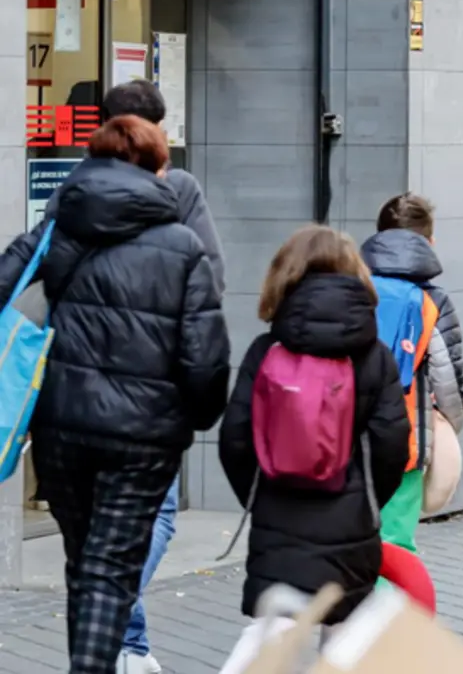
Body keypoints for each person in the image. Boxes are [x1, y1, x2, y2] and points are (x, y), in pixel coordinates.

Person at [0, 115, 230, 674]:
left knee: (85, 562)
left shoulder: (59, 227)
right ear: (158, 168)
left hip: (62, 427)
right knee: (108, 566)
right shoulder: (183, 247)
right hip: (143, 438)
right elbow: (205, 358)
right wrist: (196, 417)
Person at [217, 225, 410, 664]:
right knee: (343, 636)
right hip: (350, 521)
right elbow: (392, 441)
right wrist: (368, 496)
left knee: (275, 626)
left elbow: (234, 438)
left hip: (278, 516)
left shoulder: (266, 350)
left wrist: (262, 489)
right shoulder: (374, 356)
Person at [100, 79, 227, 674]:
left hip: (81, 386)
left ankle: (128, 646)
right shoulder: (176, 191)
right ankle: (119, 628)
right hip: (151, 388)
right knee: (157, 514)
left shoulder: (73, 194)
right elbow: (210, 285)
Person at [360, 193, 463, 557]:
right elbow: (447, 381)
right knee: (395, 548)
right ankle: (387, 611)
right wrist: (451, 427)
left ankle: (347, 610)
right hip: (404, 443)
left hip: (345, 440)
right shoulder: (431, 301)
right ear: (429, 243)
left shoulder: (351, 291)